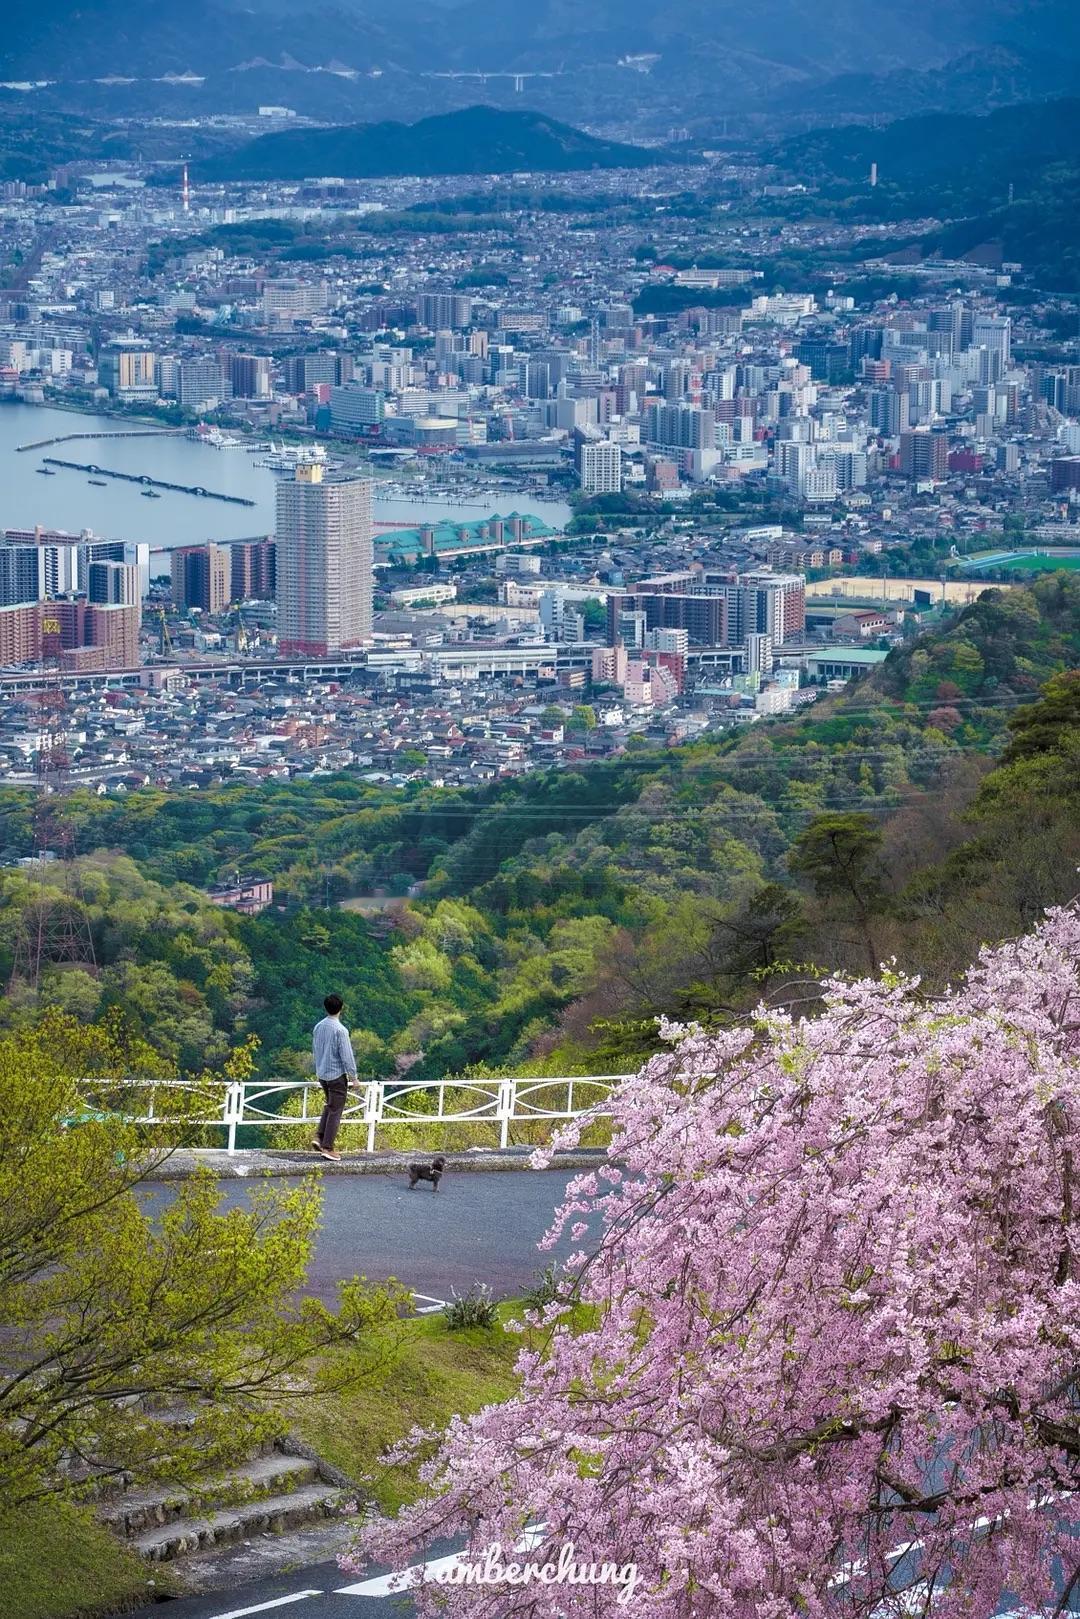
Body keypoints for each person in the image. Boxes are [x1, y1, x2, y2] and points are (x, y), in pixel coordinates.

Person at [310, 993, 358, 1162]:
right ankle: (327, 1148)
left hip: (322, 1074)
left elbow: (315, 1050)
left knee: (330, 1106)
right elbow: (347, 1056)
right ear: (341, 1008)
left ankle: (319, 1137)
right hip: (336, 1076)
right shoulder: (340, 1030)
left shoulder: (318, 1027)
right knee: (336, 1110)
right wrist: (353, 1077)